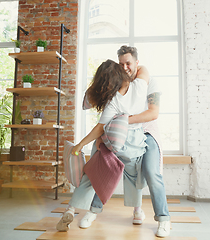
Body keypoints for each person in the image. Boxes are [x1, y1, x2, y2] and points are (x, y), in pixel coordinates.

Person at [86, 46, 171, 237]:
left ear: (136, 63)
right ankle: (93, 210)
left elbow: (153, 113)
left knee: (150, 171)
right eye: (121, 63)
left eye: (128, 63)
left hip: (147, 133)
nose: (125, 67)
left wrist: (122, 121)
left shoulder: (150, 82)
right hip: (121, 132)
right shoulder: (117, 84)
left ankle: (164, 219)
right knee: (105, 162)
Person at [56, 59, 150, 232]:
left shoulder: (113, 101)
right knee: (134, 178)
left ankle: (72, 209)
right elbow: (144, 71)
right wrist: (135, 65)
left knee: (92, 175)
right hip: (133, 143)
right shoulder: (138, 86)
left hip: (109, 142)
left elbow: (99, 129)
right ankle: (137, 211)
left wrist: (79, 145)